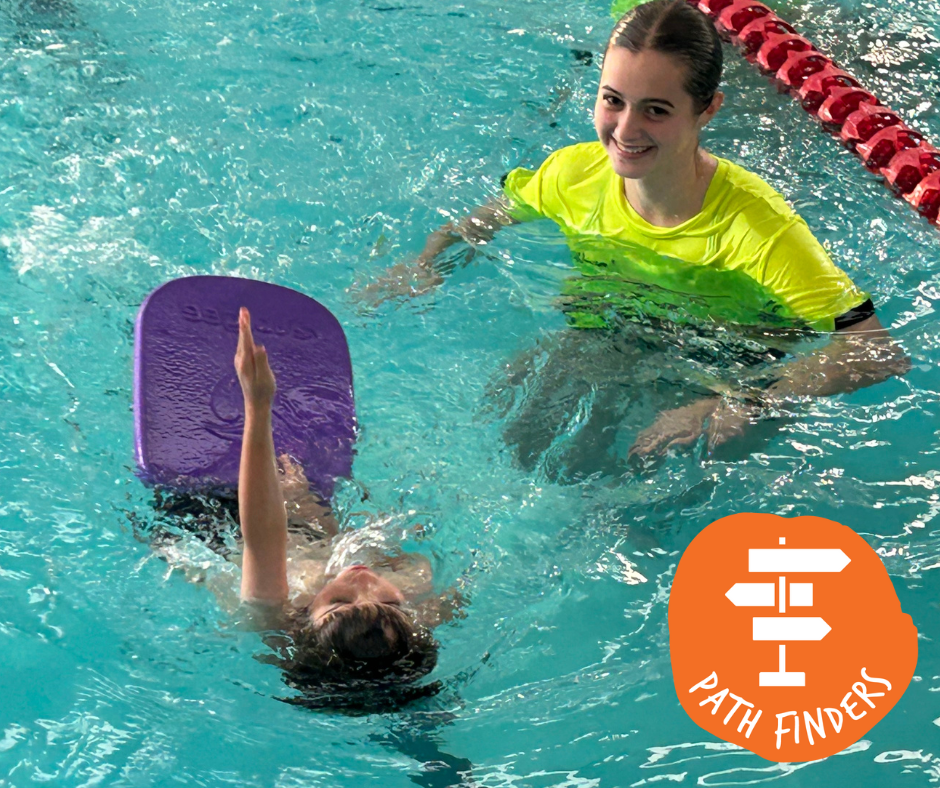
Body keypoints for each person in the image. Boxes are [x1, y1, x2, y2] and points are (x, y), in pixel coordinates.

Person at [360, 0, 908, 467]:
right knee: (518, 446)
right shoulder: (573, 175)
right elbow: (476, 223)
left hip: (727, 361)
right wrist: (427, 262)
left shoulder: (758, 229)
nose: (624, 131)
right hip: (608, 332)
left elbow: (875, 351)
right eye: (612, 100)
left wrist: (741, 401)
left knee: (671, 473)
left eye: (656, 110)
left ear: (708, 110)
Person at [152, 307, 462, 704]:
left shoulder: (272, 614)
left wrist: (257, 404)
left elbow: (262, 537)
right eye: (388, 600)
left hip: (202, 523)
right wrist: (303, 499)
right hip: (296, 528)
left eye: (338, 602)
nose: (364, 582)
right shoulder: (416, 601)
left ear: (306, 626)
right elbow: (333, 547)